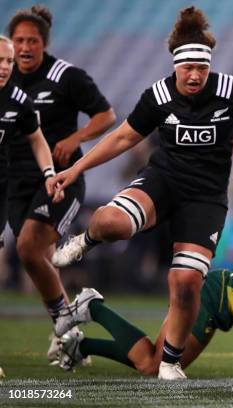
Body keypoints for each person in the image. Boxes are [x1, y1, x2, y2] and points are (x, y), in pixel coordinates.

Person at [50, 7, 233, 379]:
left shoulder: (232, 90)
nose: (194, 75)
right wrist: (77, 168)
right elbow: (125, 136)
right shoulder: (158, 95)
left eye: (201, 68)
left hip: (205, 198)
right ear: (175, 65)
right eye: (187, 67)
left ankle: (170, 362)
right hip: (163, 182)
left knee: (186, 281)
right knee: (111, 221)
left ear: (210, 67)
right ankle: (87, 240)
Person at [53, 167, 233, 377]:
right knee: (152, 364)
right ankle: (94, 308)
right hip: (216, 296)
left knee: (155, 360)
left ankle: (81, 343)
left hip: (224, 311)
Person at [6, 5, 116, 361]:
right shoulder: (6, 79)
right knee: (35, 256)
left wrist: (75, 138)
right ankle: (70, 329)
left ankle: (64, 323)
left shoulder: (66, 76)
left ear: (44, 43)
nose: (24, 47)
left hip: (60, 179)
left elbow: (107, 114)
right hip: (15, 182)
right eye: (19, 40)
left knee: (27, 247)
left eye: (32, 41)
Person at [0, 34, 56, 248]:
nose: (4, 67)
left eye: (9, 61)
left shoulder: (19, 101)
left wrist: (49, 174)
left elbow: (37, 139)